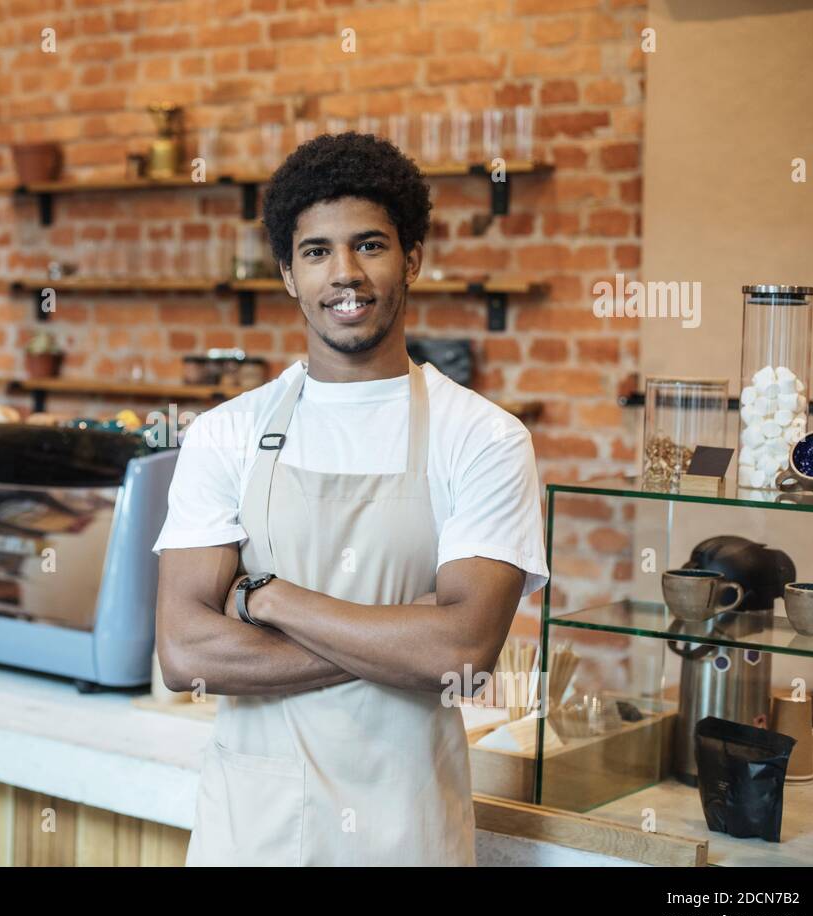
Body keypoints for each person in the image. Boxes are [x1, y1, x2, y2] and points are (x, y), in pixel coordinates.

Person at [152, 132, 549, 866]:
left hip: (407, 831)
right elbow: (185, 653)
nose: (345, 274)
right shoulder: (224, 434)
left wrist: (266, 598)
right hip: (255, 833)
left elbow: (460, 653)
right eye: (316, 252)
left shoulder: (484, 439)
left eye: (370, 245)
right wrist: (406, 635)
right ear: (287, 273)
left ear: (413, 259)